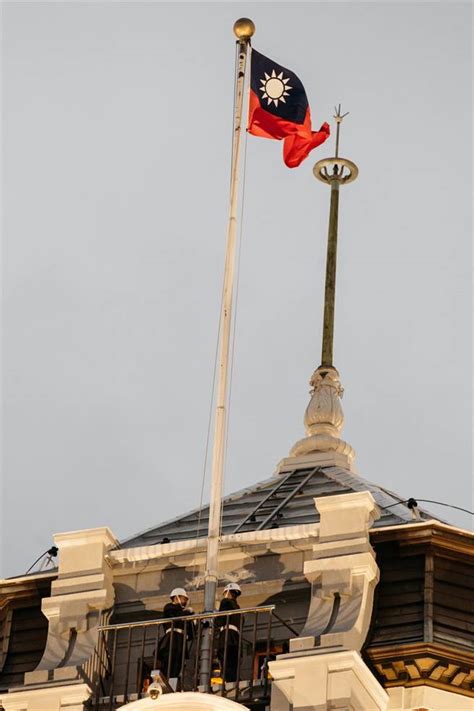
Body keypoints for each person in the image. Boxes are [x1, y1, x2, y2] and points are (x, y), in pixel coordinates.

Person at [157, 587, 194, 689]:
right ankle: (166, 681)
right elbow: (176, 618)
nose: (185, 601)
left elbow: (191, 634)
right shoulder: (169, 607)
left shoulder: (182, 612)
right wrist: (187, 613)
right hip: (172, 639)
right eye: (184, 598)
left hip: (180, 640)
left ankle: (173, 681)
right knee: (170, 660)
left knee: (178, 663)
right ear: (176, 597)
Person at [216, 583, 242, 684]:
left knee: (226, 659)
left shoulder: (225, 602)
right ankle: (234, 679)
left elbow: (220, 620)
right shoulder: (238, 607)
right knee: (233, 661)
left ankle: (229, 680)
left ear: (227, 592)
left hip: (227, 636)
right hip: (236, 637)